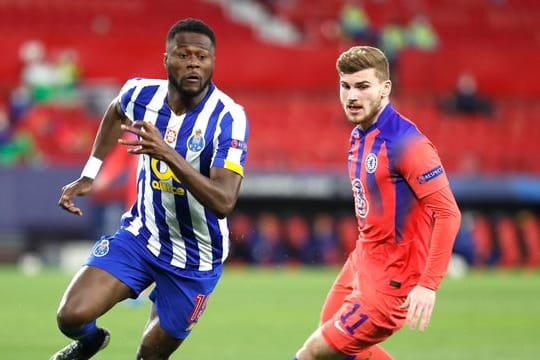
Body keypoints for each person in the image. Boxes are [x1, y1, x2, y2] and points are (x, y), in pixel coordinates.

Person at [51, 18, 249, 360]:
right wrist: (90, 173)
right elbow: (116, 111)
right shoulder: (141, 94)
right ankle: (91, 341)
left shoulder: (228, 117)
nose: (193, 63)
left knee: (150, 356)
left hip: (195, 259)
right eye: (183, 55)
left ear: (213, 61)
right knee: (70, 317)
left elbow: (224, 201)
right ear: (166, 59)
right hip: (142, 237)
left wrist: (168, 154)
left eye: (202, 56)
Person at [294, 46, 461, 360]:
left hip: (392, 280)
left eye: (362, 86)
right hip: (363, 259)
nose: (352, 96)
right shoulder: (359, 134)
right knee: (337, 346)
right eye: (345, 86)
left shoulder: (408, 144)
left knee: (313, 354)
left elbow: (448, 213)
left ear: (385, 88)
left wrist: (428, 285)